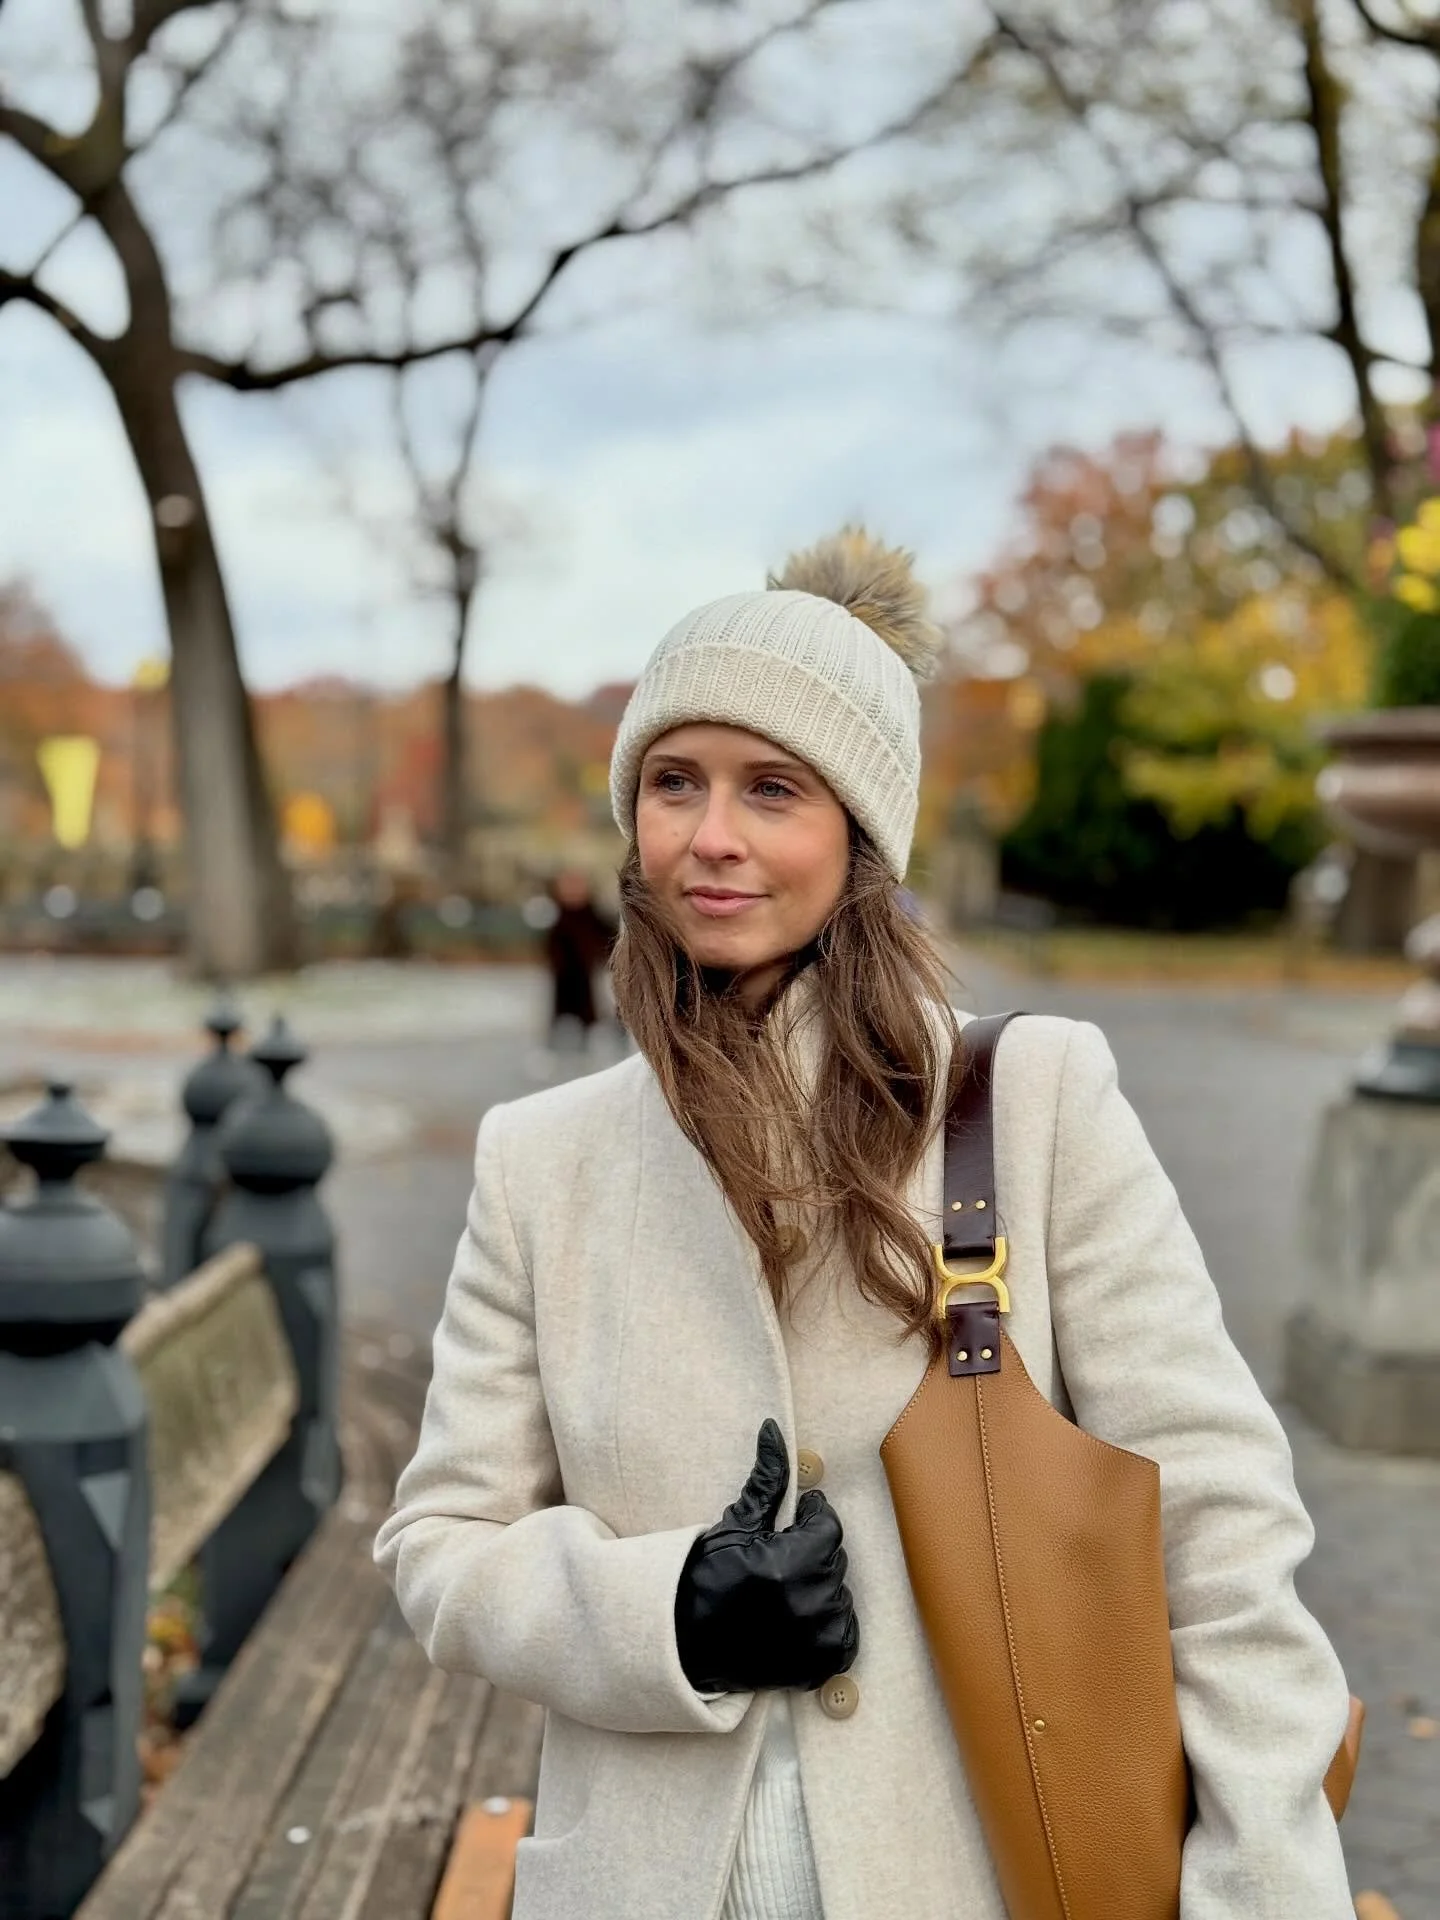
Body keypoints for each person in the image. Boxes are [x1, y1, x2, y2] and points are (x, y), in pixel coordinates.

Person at [375, 529, 1356, 1920]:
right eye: (674, 783)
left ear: (861, 833)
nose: (711, 836)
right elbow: (442, 1545)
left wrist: (1261, 1889)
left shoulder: (1032, 1101)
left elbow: (1217, 1523)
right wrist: (667, 1617)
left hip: (979, 1872)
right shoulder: (543, 1158)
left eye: (772, 788)